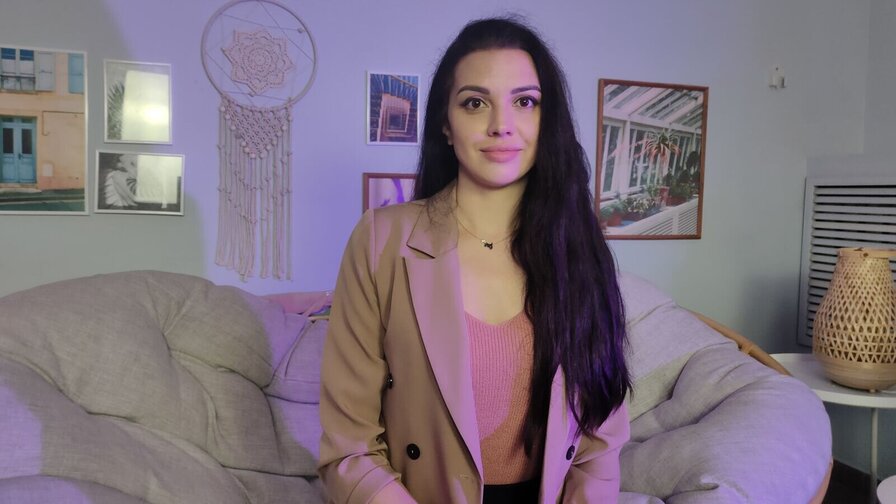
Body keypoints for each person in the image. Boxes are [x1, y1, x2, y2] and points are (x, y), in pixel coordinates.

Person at [319, 16, 631, 503]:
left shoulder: (583, 251)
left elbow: (599, 439)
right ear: (446, 124)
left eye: (524, 102)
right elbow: (349, 447)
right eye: (474, 102)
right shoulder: (382, 241)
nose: (500, 124)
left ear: (547, 120)